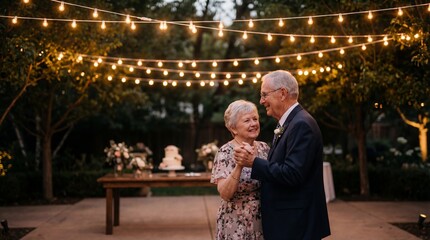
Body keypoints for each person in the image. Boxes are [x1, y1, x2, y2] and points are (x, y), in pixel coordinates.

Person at [234, 70, 331, 240]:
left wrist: (254, 162)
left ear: (282, 94)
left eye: (264, 95)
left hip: (296, 223)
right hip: (289, 220)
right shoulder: (291, 122)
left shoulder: (301, 124)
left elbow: (292, 173)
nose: (261, 101)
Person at [211, 99, 270, 240]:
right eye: (247, 120)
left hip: (264, 220)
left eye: (255, 119)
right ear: (233, 128)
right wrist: (240, 165)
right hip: (235, 223)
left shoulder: (264, 148)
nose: (253, 124)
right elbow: (225, 194)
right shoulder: (225, 152)